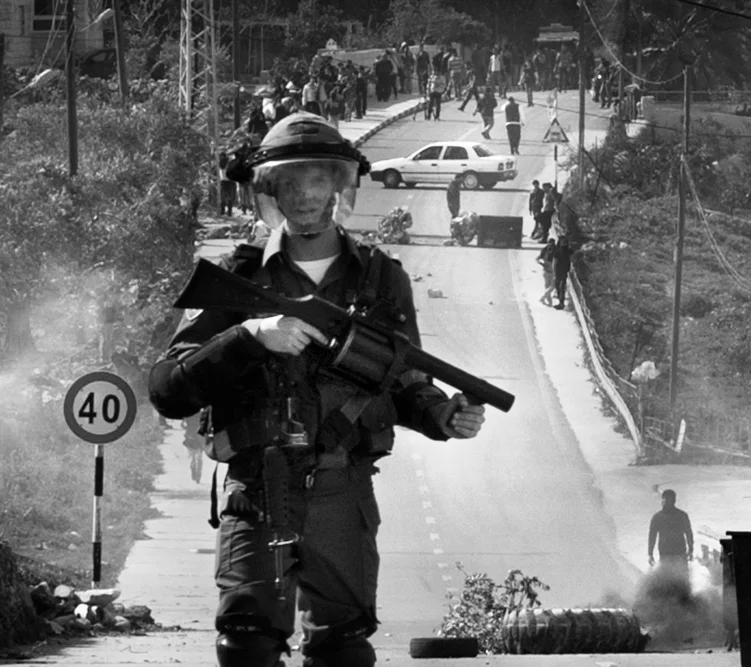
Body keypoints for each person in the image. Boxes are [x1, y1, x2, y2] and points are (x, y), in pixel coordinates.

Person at [149, 113, 486, 667]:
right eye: (291, 183)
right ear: (271, 191)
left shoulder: (380, 279)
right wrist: (250, 336)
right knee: (246, 643)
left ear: (339, 186)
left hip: (341, 491)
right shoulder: (238, 277)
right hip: (255, 491)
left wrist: (441, 415)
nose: (305, 197)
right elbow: (167, 389)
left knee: (343, 649)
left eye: (317, 182)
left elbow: (403, 380)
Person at [647, 489, 694, 580]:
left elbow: (689, 533)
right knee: (672, 578)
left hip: (677, 552)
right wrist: (650, 553)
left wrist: (691, 549)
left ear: (674, 501)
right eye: (665, 500)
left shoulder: (680, 516)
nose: (667, 502)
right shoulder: (680, 515)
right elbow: (652, 536)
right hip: (668, 553)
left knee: (678, 578)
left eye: (669, 500)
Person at [551, 235, 573, 310]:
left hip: (564, 271)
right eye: (563, 242)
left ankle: (561, 303)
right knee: (558, 286)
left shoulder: (568, 251)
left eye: (565, 243)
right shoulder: (557, 251)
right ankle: (560, 301)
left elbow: (572, 258)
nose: (564, 244)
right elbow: (554, 262)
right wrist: (554, 272)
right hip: (558, 271)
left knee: (561, 286)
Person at [536, 239, 556, 307]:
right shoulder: (556, 251)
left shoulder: (544, 250)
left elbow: (537, 259)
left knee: (548, 288)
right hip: (553, 272)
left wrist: (542, 264)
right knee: (551, 287)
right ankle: (544, 299)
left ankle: (550, 303)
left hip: (546, 271)